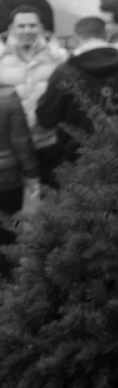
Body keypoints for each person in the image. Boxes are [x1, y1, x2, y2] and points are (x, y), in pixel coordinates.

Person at [36, 16, 118, 168]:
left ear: (75, 39)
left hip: (78, 158)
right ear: (106, 35)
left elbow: (46, 118)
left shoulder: (65, 72)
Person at [0, 4, 69, 182]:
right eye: (21, 26)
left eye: (32, 25)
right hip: (10, 147)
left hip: (49, 140)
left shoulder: (58, 57)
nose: (27, 30)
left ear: (41, 27)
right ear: (11, 28)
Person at [0, 84, 41, 275]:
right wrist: (32, 175)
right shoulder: (9, 99)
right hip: (7, 180)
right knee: (8, 229)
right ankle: (7, 274)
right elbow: (21, 142)